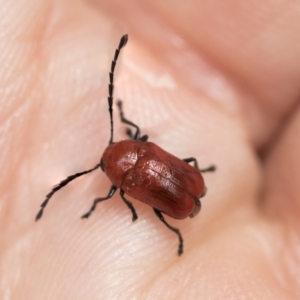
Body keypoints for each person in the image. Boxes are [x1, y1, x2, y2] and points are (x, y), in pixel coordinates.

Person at [1, 1, 299, 299]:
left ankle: (181, 222)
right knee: (178, 183)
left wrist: (118, 206)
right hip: (188, 193)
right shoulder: (142, 150)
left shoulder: (125, 183)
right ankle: (185, 214)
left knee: (156, 209)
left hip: (188, 192)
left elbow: (112, 195)